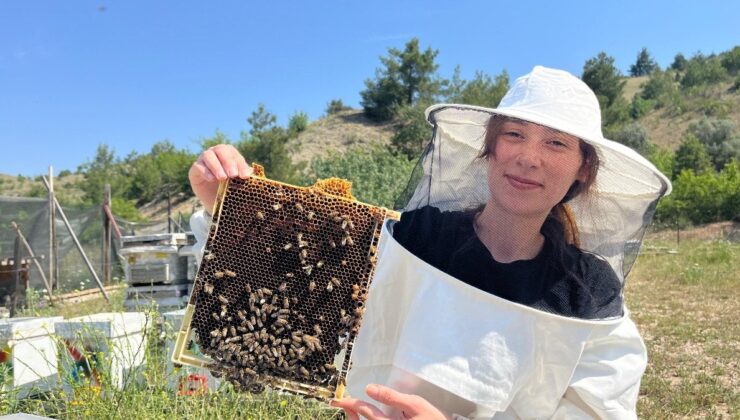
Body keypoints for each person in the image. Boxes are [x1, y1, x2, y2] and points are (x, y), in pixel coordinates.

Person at [189, 66, 671, 419]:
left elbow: (598, 412)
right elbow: (298, 277)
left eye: (556, 143)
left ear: (583, 168)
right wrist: (228, 204)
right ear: (490, 147)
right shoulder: (419, 237)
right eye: (515, 135)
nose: (528, 157)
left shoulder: (590, 295)